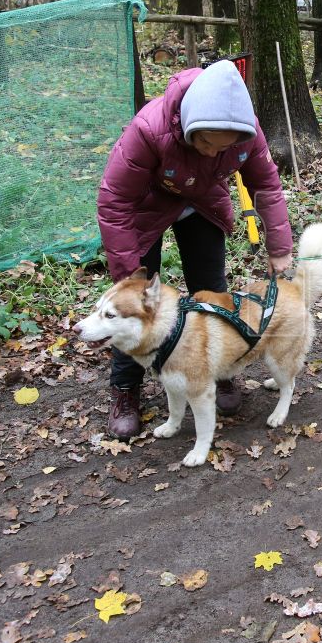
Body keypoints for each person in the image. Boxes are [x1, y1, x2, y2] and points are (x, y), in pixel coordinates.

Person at [96, 59, 294, 438]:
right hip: (145, 210)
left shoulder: (247, 133)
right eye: (204, 143)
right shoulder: (149, 129)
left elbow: (266, 186)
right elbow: (114, 201)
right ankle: (126, 389)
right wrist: (126, 274)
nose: (209, 153)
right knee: (134, 306)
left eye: (221, 149)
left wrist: (279, 246)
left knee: (210, 287)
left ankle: (218, 369)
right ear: (188, 125)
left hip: (203, 203)